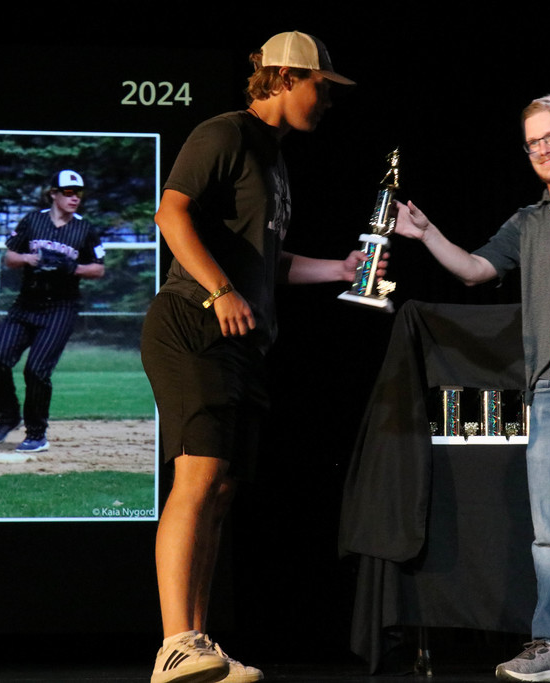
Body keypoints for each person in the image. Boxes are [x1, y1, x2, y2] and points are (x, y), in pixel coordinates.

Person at [141, 31, 380, 683]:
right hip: (192, 323)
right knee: (197, 477)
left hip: (242, 341)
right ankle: (174, 641)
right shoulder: (224, 133)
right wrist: (218, 290)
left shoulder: (275, 160)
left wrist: (341, 267)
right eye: (320, 88)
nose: (326, 102)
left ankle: (198, 642)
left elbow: (267, 262)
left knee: (219, 489)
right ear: (283, 78)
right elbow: (170, 213)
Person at [393, 94, 550, 682]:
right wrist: (428, 233)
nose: (541, 149)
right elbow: (476, 269)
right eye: (532, 142)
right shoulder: (528, 220)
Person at [0, 170, 106, 453]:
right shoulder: (33, 220)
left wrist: (72, 268)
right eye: (68, 193)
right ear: (53, 194)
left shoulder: (84, 229)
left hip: (60, 308)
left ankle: (37, 434)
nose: (74, 198)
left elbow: (99, 269)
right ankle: (9, 417)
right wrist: (28, 258)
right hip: (26, 304)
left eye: (78, 194)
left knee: (36, 370)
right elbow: (10, 256)